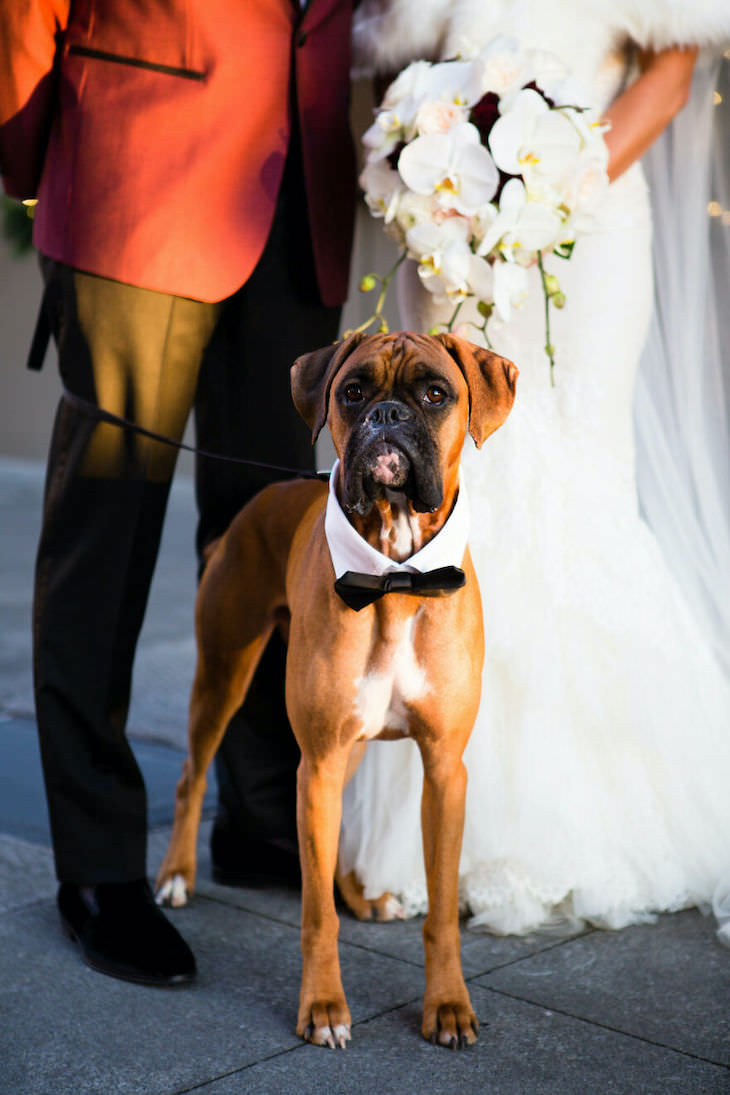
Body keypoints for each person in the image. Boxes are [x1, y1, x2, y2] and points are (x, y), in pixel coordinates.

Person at [339, 0, 730, 934]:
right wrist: (438, 185)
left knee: (578, 482)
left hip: (587, 235)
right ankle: (438, 821)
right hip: (450, 244)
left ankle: (592, 815)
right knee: (465, 499)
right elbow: (400, 67)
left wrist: (546, 193)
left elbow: (668, 77)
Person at [0, 0, 357, 984]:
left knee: (277, 533)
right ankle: (99, 861)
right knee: (105, 532)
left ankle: (255, 808)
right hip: (138, 166)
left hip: (300, 193)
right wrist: (30, 162)